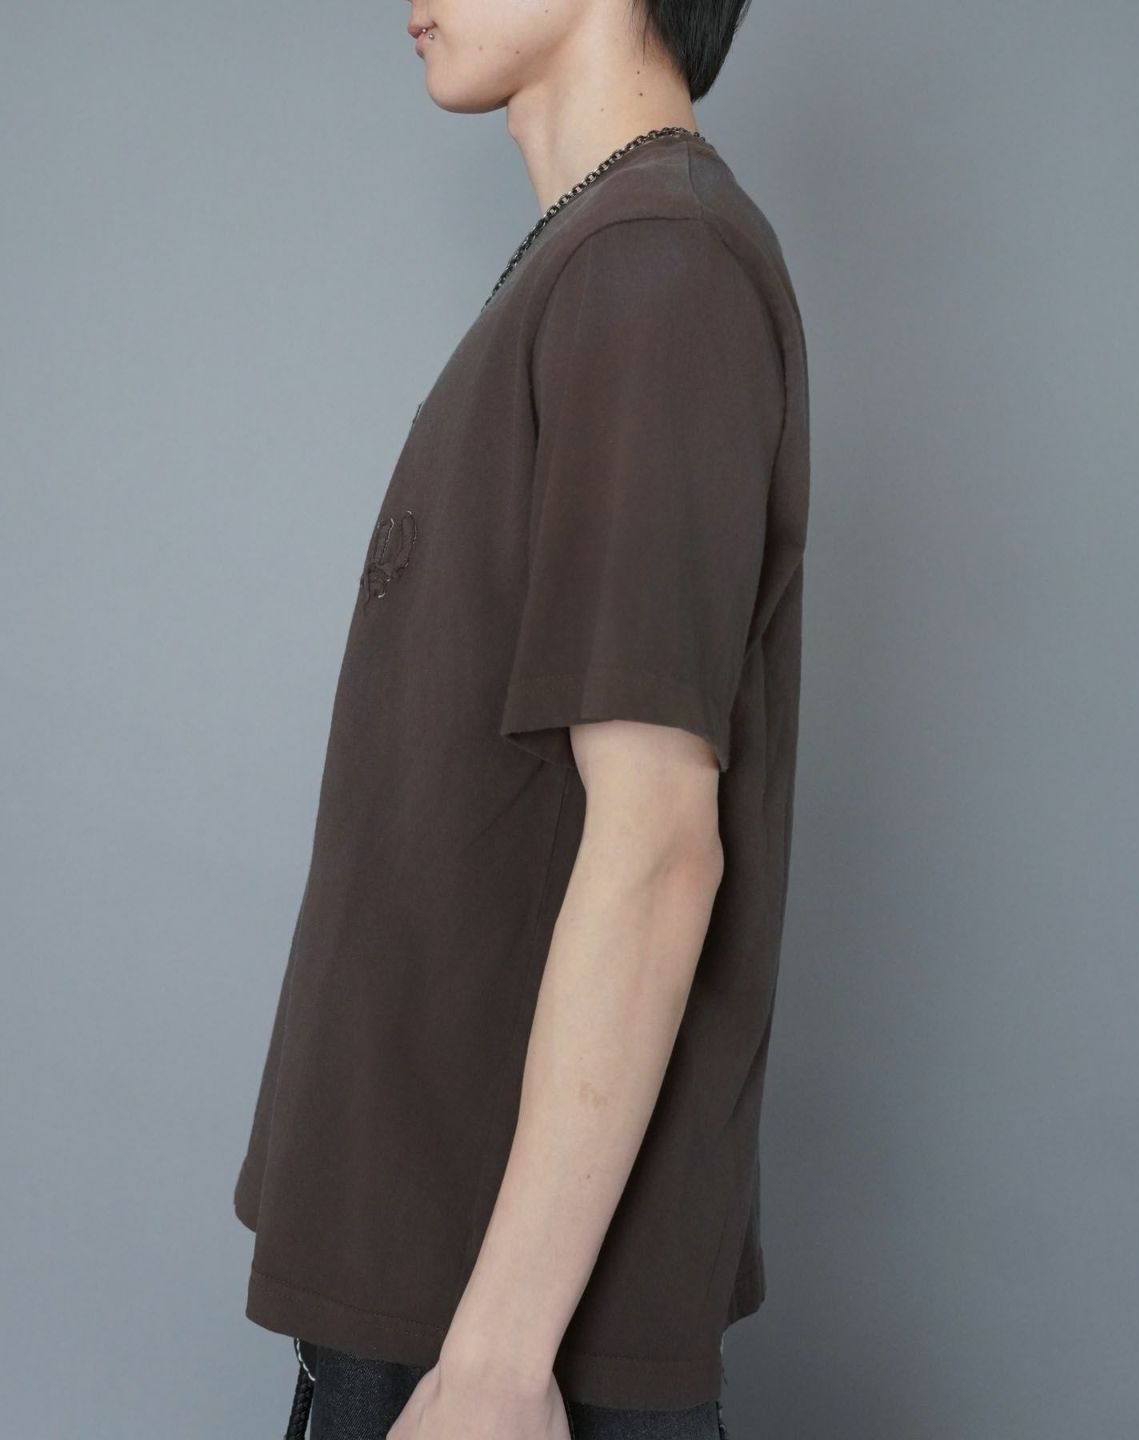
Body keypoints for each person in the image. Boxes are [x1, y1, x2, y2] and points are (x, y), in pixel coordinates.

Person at [232, 1, 810, 1436]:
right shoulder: (600, 259)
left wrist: (496, 1360)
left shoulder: (656, 270)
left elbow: (660, 843)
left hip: (501, 1349)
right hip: (430, 1303)